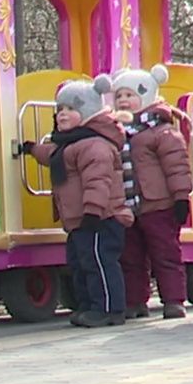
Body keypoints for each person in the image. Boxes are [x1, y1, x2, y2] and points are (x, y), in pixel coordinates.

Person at [26, 79, 132, 328]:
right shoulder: (69, 145)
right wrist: (31, 149)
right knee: (80, 263)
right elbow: (50, 155)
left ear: (87, 113)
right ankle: (88, 305)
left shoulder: (94, 144)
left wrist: (93, 211)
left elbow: (98, 181)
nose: (63, 114)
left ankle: (109, 309)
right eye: (60, 109)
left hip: (100, 218)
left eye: (71, 109)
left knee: (99, 262)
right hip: (79, 220)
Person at [111, 65, 193, 320]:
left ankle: (173, 300)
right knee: (131, 256)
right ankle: (135, 301)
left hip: (158, 204)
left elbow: (177, 165)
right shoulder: (116, 132)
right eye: (119, 96)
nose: (124, 101)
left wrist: (181, 196)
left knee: (165, 253)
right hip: (128, 204)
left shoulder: (162, 130)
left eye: (130, 95)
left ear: (145, 96)